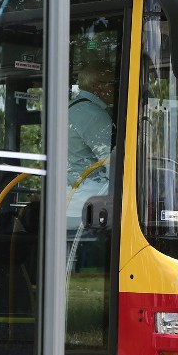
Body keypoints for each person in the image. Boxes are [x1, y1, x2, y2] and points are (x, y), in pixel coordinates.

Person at [66, 62, 114, 231]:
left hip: (68, 203)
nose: (115, 89)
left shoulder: (69, 109)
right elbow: (113, 161)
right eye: (112, 83)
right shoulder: (93, 115)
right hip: (90, 205)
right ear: (98, 86)